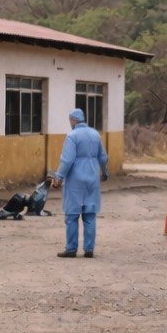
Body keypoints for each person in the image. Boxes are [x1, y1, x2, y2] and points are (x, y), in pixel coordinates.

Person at [53, 108, 108, 258]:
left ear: (73, 120)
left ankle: (71, 249)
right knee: (89, 214)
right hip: (92, 177)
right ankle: (89, 249)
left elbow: (67, 160)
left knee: (72, 215)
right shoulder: (95, 134)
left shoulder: (72, 136)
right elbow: (103, 157)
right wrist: (104, 172)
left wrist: (59, 177)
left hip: (75, 179)